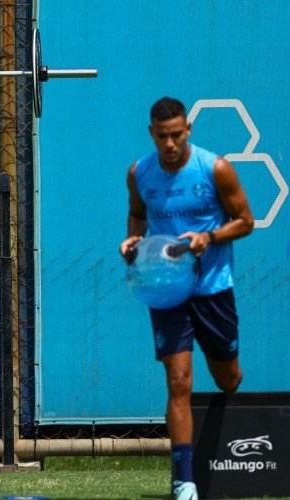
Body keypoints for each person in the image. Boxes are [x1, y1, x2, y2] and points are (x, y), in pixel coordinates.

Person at [119, 97, 254, 500]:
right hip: (167, 291)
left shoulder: (215, 169)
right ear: (152, 134)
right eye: (162, 136)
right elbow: (138, 215)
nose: (170, 143)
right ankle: (185, 482)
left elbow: (245, 221)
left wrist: (208, 237)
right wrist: (133, 242)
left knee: (228, 380)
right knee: (178, 382)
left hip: (213, 287)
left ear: (188, 130)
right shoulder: (140, 172)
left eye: (177, 135)